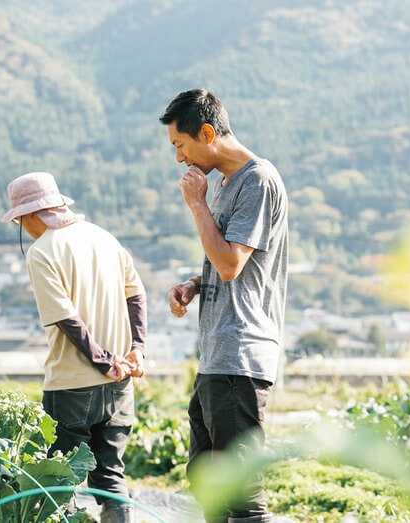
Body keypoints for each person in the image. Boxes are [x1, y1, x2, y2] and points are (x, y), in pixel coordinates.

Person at [159, 89, 289, 523]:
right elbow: (229, 260)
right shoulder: (228, 183)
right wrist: (196, 283)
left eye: (180, 145)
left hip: (240, 353)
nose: (179, 158)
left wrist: (196, 205)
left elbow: (232, 264)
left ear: (208, 132)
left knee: (242, 501)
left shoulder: (258, 181)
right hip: (218, 353)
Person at [0, 171, 147, 523]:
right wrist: (136, 349)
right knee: (111, 477)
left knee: (60, 483)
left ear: (32, 215)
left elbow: (67, 320)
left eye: (21, 220)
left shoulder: (42, 251)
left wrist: (102, 361)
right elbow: (136, 294)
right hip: (119, 383)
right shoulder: (103, 237)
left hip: (71, 386)